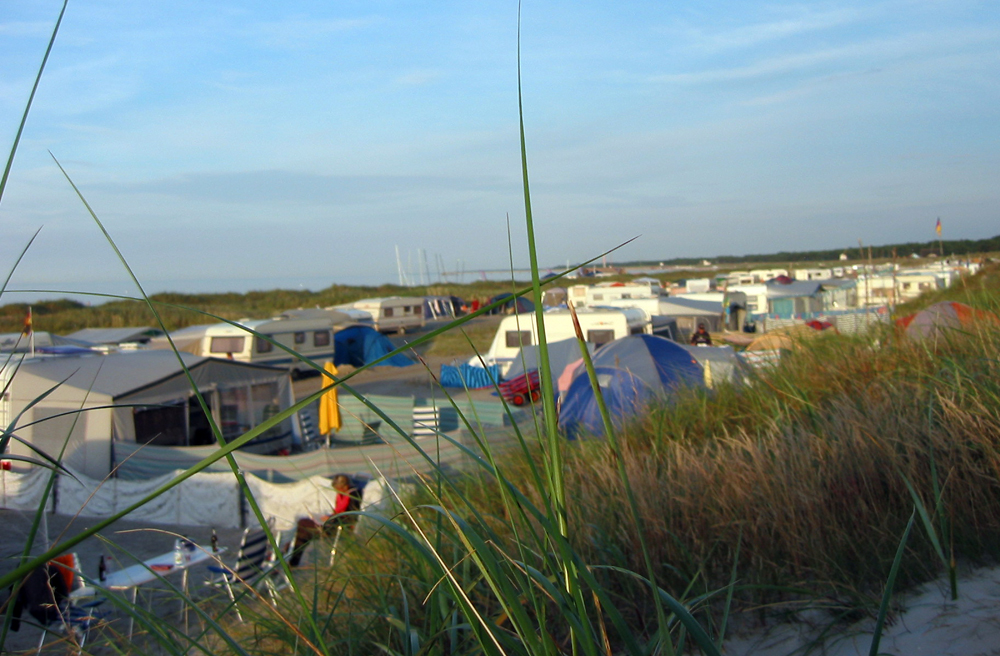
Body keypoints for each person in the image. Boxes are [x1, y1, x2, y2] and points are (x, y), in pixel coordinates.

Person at [288, 475, 359, 566]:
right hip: (333, 523)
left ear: (345, 487)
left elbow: (350, 518)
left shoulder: (353, 496)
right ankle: (293, 557)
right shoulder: (342, 495)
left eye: (338, 488)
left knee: (303, 529)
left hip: (337, 528)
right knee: (302, 522)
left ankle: (293, 560)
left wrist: (331, 519)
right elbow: (338, 512)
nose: (337, 491)